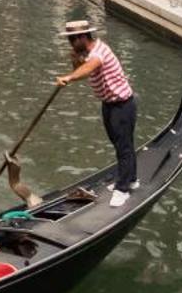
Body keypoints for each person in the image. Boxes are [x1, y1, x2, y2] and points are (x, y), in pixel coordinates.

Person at [55, 19, 138, 206]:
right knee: (120, 144)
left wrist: (68, 77)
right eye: (69, 39)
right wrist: (74, 57)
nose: (70, 43)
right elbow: (80, 67)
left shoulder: (99, 51)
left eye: (72, 39)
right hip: (108, 105)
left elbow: (88, 68)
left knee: (124, 146)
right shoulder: (87, 52)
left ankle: (123, 189)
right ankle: (130, 178)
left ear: (83, 37)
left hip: (122, 105)